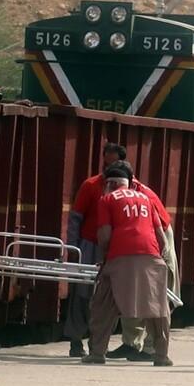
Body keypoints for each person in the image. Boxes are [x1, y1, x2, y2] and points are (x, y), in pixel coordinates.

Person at [83, 164, 172, 367]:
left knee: (103, 305)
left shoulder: (107, 200)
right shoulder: (146, 199)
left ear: (111, 184)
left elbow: (105, 236)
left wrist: (105, 258)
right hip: (151, 257)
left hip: (119, 257)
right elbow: (161, 236)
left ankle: (97, 353)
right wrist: (158, 259)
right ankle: (161, 356)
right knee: (157, 308)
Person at [105, 160, 179, 362]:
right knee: (131, 292)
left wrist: (159, 257)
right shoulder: (123, 192)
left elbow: (158, 228)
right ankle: (131, 343)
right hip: (143, 240)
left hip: (158, 239)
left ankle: (152, 347)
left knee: (155, 296)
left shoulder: (142, 195)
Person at [64, 142, 127, 357]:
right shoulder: (90, 185)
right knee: (81, 295)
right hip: (89, 246)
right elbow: (76, 218)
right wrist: (74, 248)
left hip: (114, 248)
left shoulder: (128, 189)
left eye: (113, 164)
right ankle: (76, 342)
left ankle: (98, 343)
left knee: (107, 297)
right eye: (106, 164)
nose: (108, 168)